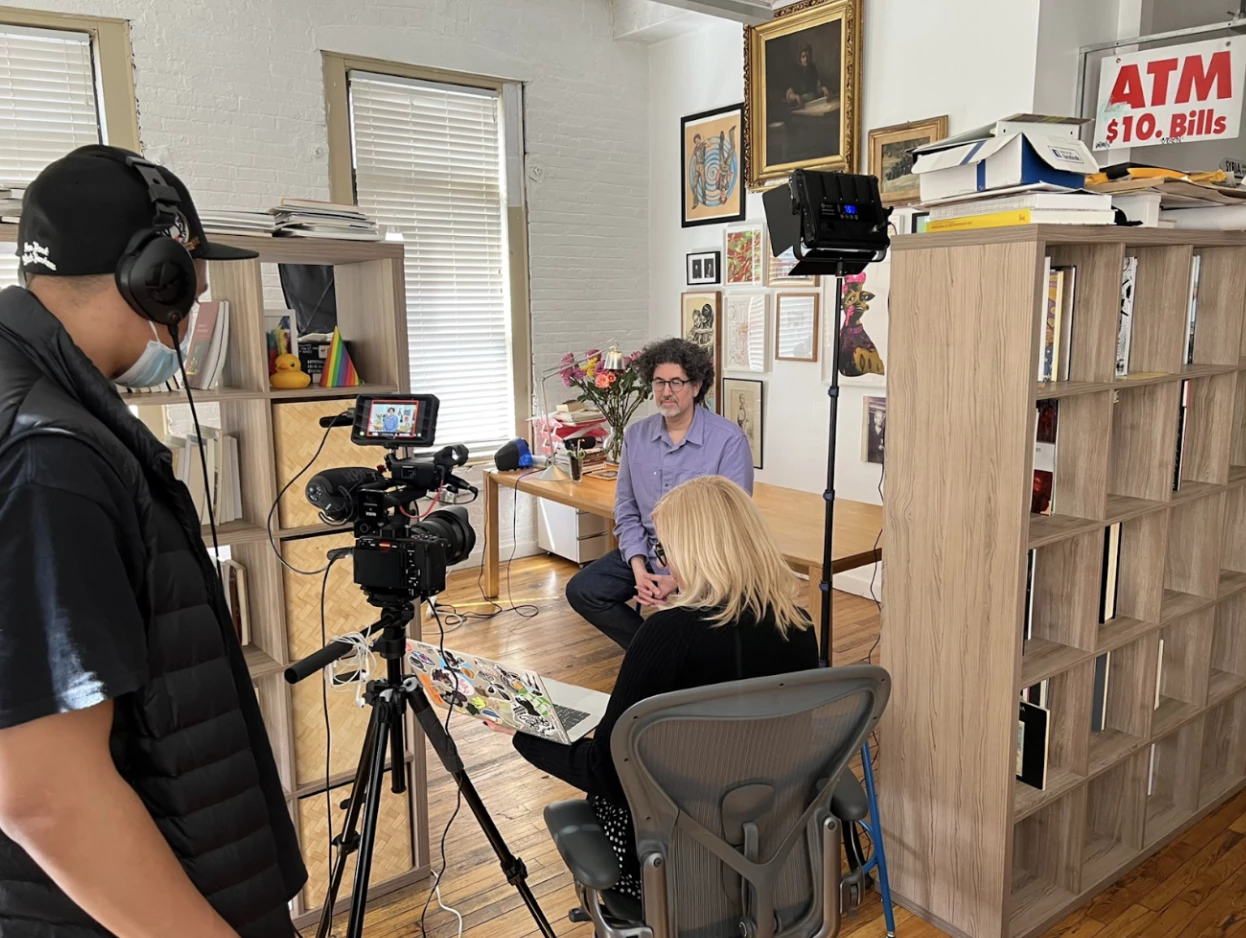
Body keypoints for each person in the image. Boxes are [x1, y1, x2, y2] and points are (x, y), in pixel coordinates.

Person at [0, 146, 306, 937]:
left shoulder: (44, 408)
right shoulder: (50, 455)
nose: (197, 300)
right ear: (155, 277)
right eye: (191, 275)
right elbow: (45, 793)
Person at [492, 475, 819, 899]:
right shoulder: (799, 625)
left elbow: (606, 774)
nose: (664, 564)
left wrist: (526, 734)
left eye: (664, 551)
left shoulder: (667, 634)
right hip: (768, 840)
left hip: (665, 857)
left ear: (696, 552)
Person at [565, 337, 753, 649]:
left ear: (696, 386)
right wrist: (640, 568)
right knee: (583, 589)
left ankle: (667, 652)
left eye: (676, 382)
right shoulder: (636, 436)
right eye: (659, 382)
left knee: (693, 620)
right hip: (649, 554)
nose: (666, 392)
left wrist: (678, 579)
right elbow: (626, 509)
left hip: (704, 563)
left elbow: (731, 526)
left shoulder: (728, 440)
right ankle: (654, 650)